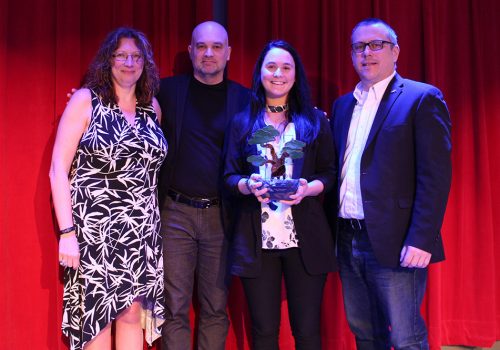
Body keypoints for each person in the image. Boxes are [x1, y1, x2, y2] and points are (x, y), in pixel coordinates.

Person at [328, 18, 452, 349]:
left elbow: (435, 176)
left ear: (395, 51)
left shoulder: (421, 98)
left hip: (397, 241)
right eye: (358, 46)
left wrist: (421, 239)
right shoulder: (343, 105)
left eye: (375, 45)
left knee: (405, 335)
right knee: (365, 331)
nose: (366, 53)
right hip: (347, 237)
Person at [49, 27, 167, 350]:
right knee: (97, 320)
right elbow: (59, 169)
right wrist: (67, 232)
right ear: (108, 60)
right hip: (96, 232)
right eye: (121, 55)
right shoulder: (87, 101)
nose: (129, 62)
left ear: (145, 62)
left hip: (141, 232)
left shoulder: (151, 108)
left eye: (136, 56)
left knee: (132, 317)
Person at [223, 40, 337, 349]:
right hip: (256, 240)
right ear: (260, 72)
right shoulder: (243, 122)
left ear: (296, 75)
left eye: (286, 67)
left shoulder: (314, 121)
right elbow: (229, 175)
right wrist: (247, 185)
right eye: (271, 66)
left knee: (308, 331)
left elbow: (329, 173)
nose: (278, 73)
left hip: (305, 240)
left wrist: (306, 189)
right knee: (263, 332)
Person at [156, 21, 250, 349]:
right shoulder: (165, 91)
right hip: (174, 213)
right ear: (190, 50)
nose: (208, 53)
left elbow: (272, 137)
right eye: (201, 46)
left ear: (228, 54)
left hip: (221, 217)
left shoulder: (245, 99)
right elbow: (123, 103)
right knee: (174, 307)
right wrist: (90, 102)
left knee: (215, 307)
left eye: (216, 47)